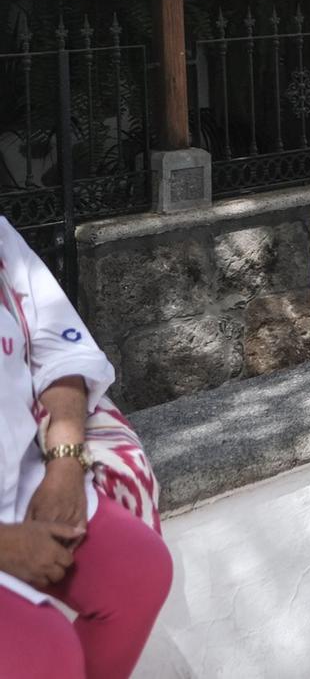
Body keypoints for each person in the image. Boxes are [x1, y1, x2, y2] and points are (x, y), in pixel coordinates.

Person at [1, 216, 173, 679]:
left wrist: (65, 465)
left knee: (138, 573)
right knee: (44, 652)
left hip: (23, 482)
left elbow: (59, 352)